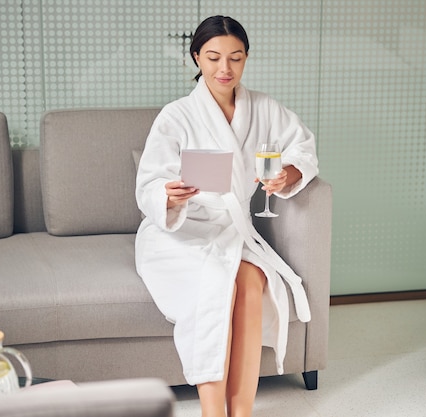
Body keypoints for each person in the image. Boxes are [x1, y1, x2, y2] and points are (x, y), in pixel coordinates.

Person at [135, 15, 319, 417]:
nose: (225, 69)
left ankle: (242, 411)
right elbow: (149, 183)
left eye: (235, 58)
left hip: (231, 229)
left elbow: (303, 146)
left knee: (253, 283)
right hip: (178, 233)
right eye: (214, 57)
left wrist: (289, 172)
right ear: (196, 57)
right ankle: (211, 411)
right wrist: (169, 195)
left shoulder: (265, 108)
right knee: (219, 284)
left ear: (246, 59)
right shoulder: (176, 115)